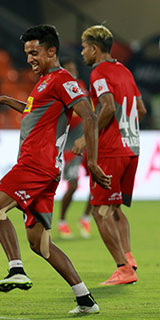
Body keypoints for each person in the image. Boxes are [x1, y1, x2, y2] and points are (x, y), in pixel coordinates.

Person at [0, 24, 111, 314]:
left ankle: (16, 269)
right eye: (27, 53)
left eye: (34, 52)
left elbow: (89, 115)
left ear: (52, 51)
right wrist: (5, 100)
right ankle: (85, 299)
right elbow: (33, 111)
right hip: (42, 168)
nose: (29, 59)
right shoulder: (44, 82)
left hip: (35, 166)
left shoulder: (63, 79)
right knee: (41, 244)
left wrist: (91, 161)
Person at [75, 25, 146, 285]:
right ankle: (129, 257)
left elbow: (107, 106)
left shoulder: (99, 72)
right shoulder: (125, 70)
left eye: (84, 47)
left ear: (94, 48)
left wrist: (87, 136)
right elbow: (140, 108)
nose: (82, 52)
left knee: (99, 211)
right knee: (115, 208)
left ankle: (123, 268)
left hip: (112, 150)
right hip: (133, 147)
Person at [57, 57, 92, 239]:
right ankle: (62, 220)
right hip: (70, 144)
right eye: (68, 69)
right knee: (73, 185)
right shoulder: (60, 89)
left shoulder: (80, 86)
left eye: (73, 68)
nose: (72, 72)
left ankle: (86, 218)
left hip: (86, 139)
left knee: (98, 181)